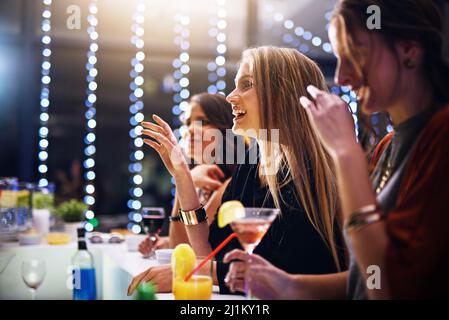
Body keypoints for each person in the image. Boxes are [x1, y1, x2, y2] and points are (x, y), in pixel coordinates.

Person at [225, 0, 449, 299]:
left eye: (355, 53)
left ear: (409, 50)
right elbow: (363, 279)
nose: (342, 76)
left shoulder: (442, 137)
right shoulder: (387, 148)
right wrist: (286, 285)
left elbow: (388, 287)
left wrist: (345, 153)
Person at [128, 46, 346, 295]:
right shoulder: (252, 162)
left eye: (246, 84)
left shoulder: (323, 172)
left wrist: (201, 272)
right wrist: (182, 176)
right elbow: (206, 251)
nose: (230, 96)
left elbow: (290, 274)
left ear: (282, 93)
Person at [138, 93, 241, 257]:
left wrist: (184, 179)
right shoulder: (201, 183)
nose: (191, 129)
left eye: (204, 122)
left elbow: (187, 252)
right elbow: (179, 248)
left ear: (227, 130)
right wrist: (164, 241)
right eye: (187, 123)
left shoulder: (231, 185)